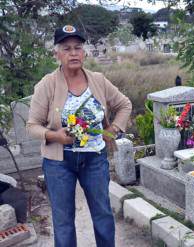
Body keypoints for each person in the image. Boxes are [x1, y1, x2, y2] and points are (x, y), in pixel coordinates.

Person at [26, 25, 132, 247]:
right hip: (59, 163)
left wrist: (113, 129)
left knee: (103, 214)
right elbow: (32, 125)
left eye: (78, 48)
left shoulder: (98, 80)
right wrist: (55, 136)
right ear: (57, 54)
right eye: (66, 48)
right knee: (63, 221)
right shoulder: (47, 84)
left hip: (95, 159)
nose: (73, 53)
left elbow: (124, 104)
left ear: (84, 53)